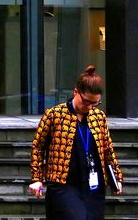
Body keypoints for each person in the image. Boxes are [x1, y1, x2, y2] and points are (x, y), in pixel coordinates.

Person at [29, 65, 123, 219]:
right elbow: (38, 147)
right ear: (76, 92)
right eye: (86, 102)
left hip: (93, 185)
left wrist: (116, 178)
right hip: (63, 184)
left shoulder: (98, 117)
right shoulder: (55, 115)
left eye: (95, 103)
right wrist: (36, 178)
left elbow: (107, 149)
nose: (90, 107)